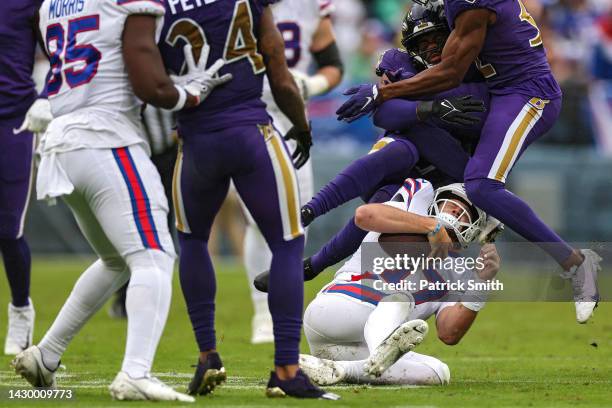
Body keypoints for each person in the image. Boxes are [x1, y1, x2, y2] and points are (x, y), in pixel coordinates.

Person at [12, 0, 229, 401]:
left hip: (61, 142)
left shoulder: (51, 6)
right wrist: (191, 94)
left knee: (116, 259)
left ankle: (46, 355)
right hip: (105, 137)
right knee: (155, 254)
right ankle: (135, 372)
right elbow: (150, 85)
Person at [335, 0, 601, 323]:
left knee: (481, 185)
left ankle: (575, 264)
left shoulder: (471, 3)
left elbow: (449, 73)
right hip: (497, 92)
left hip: (528, 93)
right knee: (473, 179)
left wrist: (383, 94)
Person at [158, 0, 338, 400]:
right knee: (289, 242)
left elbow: (149, 82)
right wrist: (303, 127)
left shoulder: (157, 7)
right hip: (251, 132)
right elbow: (280, 75)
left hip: (196, 141)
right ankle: (287, 368)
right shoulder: (249, 3)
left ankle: (207, 353)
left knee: (190, 241)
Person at [299, 179, 501, 385]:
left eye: (466, 211)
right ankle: (382, 349)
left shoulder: (458, 273)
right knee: (402, 298)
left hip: (348, 346)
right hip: (336, 308)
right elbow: (365, 215)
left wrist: (481, 282)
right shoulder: (416, 200)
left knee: (438, 373)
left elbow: (449, 333)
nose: (456, 212)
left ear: (476, 229)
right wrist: (432, 225)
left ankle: (339, 369)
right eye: (452, 202)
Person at [244, 0, 344, 346]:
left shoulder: (311, 6)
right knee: (258, 219)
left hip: (291, 118)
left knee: (297, 221)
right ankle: (262, 312)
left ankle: (283, 310)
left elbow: (333, 65)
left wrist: (312, 84)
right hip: (244, 112)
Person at [0, 0, 52, 356]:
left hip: (14, 120)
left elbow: (62, 53)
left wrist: (47, 97)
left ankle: (21, 308)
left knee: (8, 227)